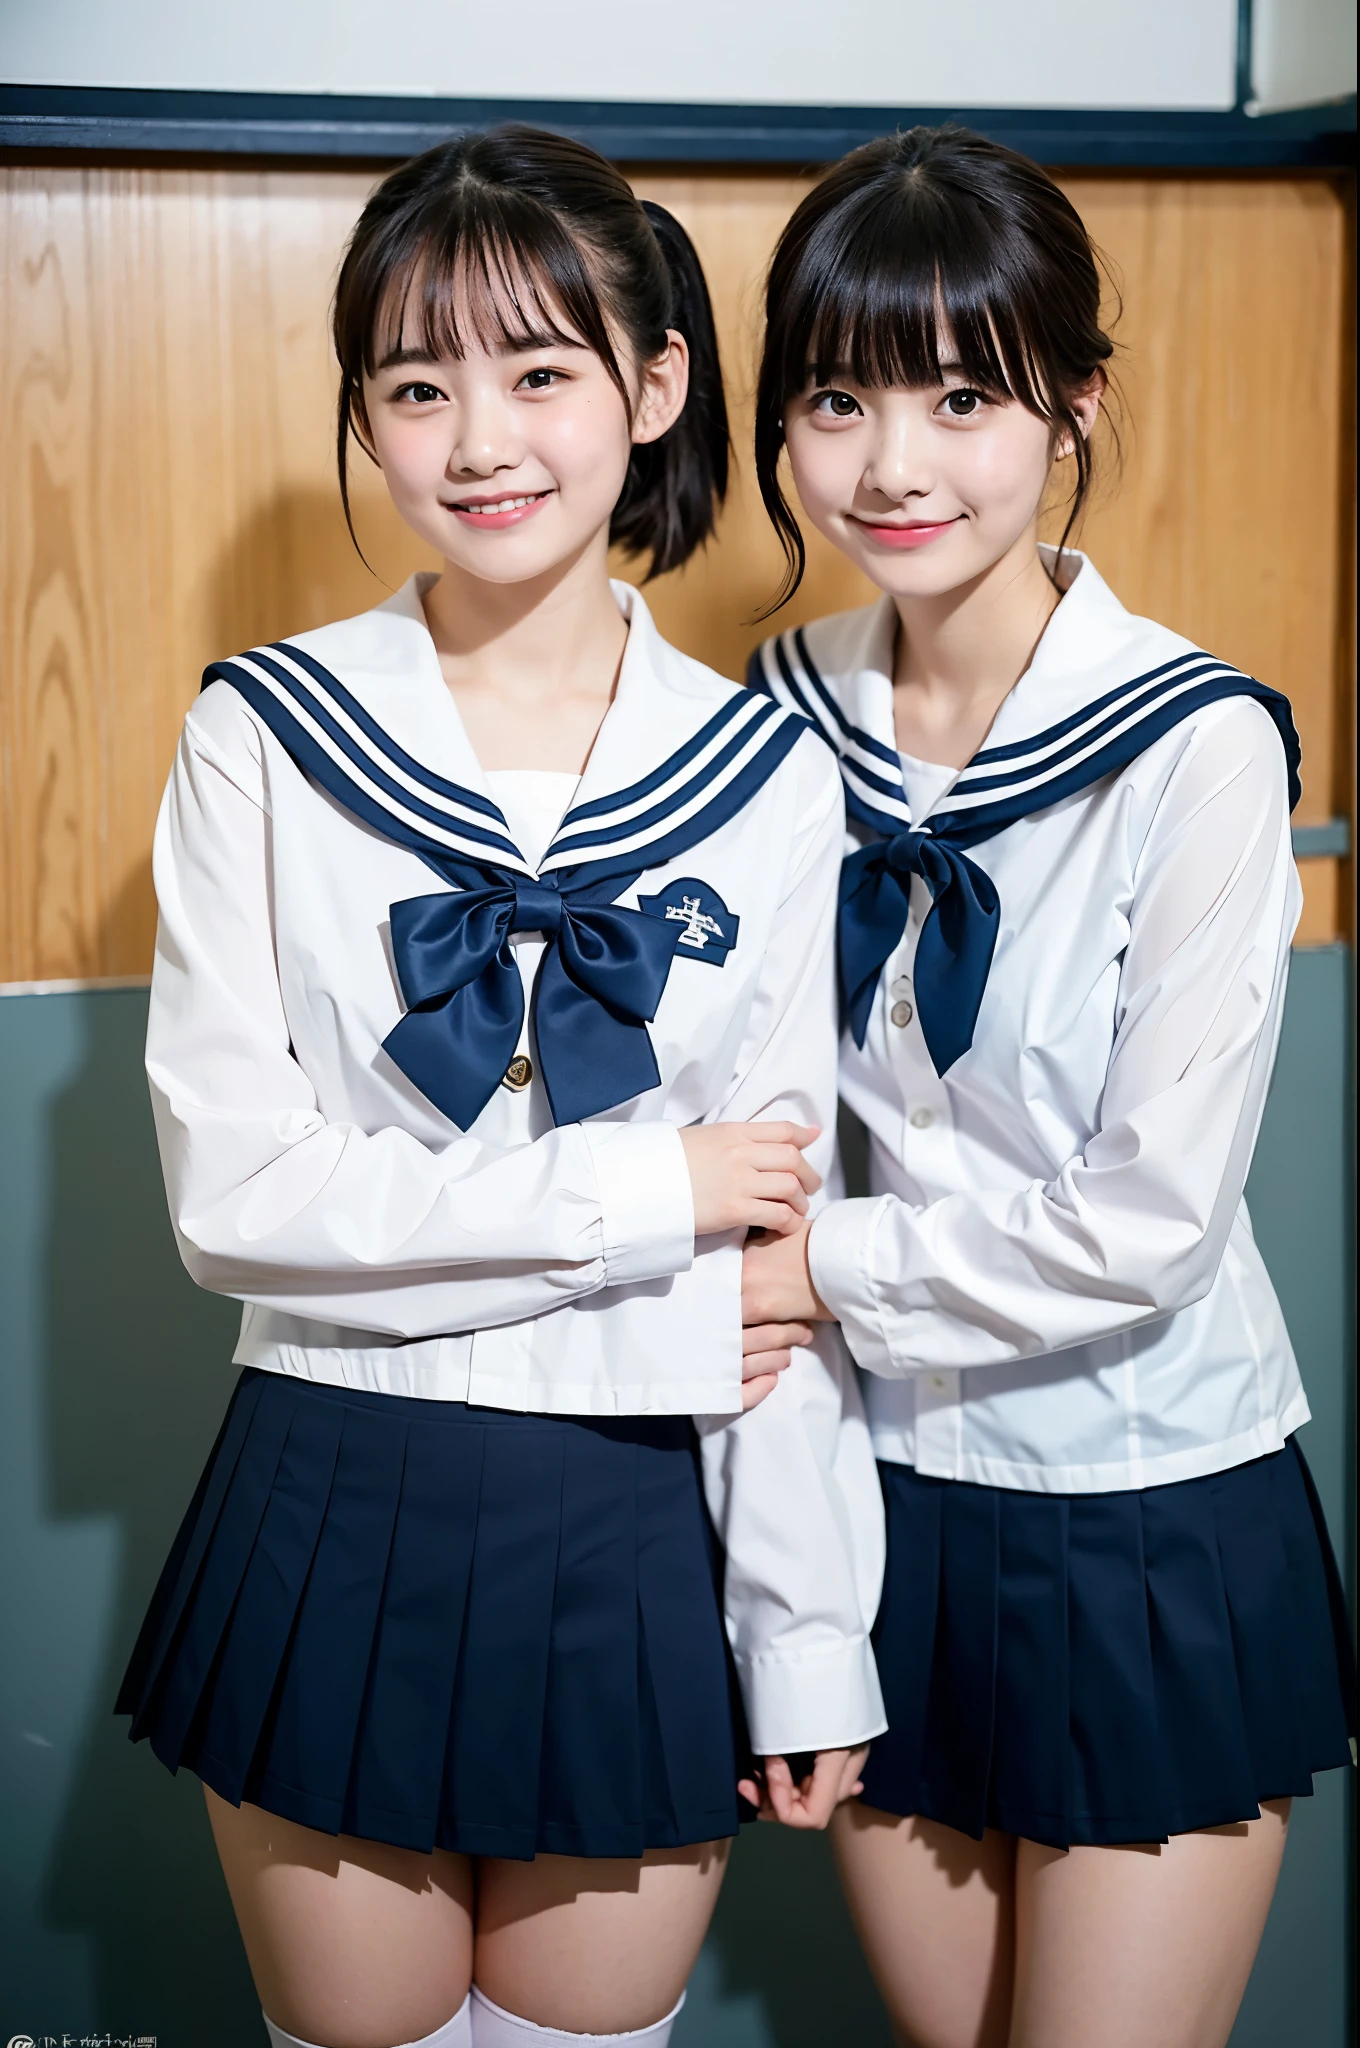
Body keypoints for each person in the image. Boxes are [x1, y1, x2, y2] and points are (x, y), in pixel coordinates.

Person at [117, 126, 885, 2048]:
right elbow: (239, 1205)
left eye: (541, 370)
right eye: (419, 382)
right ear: (366, 421)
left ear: (654, 387)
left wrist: (805, 1637)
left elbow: (770, 1277)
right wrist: (645, 1201)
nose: (481, 437)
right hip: (333, 1493)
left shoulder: (771, 776)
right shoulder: (262, 739)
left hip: (639, 1507)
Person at [742, 125, 1354, 2048]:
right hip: (876, 1502)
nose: (893, 466)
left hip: (1140, 1497)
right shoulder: (766, 716)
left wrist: (817, 1269)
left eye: (963, 397)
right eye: (837, 400)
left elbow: (1151, 1226)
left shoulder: (1195, 749)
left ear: (1077, 397)